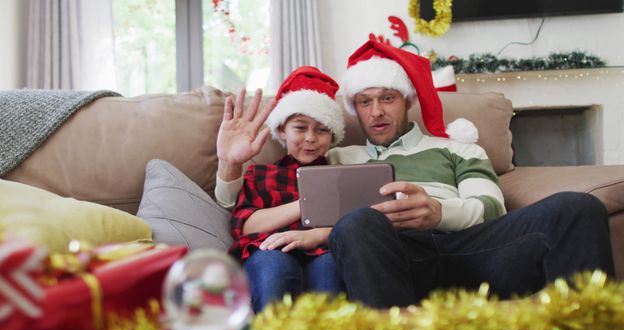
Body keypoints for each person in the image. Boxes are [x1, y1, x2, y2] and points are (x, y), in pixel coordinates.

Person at [215, 41, 615, 309]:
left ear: (406, 101)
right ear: (353, 111)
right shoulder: (334, 155)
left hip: (471, 248)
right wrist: (231, 163)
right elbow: (247, 208)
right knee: (358, 222)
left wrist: (439, 212)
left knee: (577, 207)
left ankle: (589, 323)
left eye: (387, 99)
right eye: (365, 102)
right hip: (394, 260)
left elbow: (491, 206)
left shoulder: (458, 146)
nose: (376, 112)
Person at [224, 66, 346, 313]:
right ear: (282, 130)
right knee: (276, 272)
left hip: (325, 249)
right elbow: (245, 226)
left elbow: (353, 223)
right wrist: (307, 203)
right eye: (300, 128)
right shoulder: (261, 174)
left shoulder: (341, 174)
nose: (311, 138)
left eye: (322, 129)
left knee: (329, 275)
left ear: (332, 136)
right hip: (270, 248)